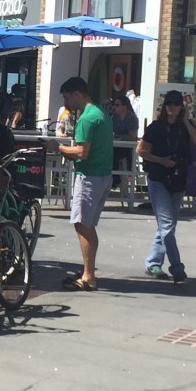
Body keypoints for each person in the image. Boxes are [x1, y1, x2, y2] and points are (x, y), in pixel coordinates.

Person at [137, 90, 196, 283]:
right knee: (166, 225)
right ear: (164, 105)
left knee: (168, 226)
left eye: (176, 103)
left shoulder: (187, 126)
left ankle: (152, 263)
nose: (172, 107)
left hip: (179, 179)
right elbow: (141, 150)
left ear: (182, 107)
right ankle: (177, 267)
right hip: (158, 179)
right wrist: (161, 160)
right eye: (169, 103)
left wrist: (186, 121)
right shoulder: (156, 127)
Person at [57, 76, 113, 291]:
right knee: (87, 225)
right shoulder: (101, 114)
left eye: (67, 97)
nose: (65, 103)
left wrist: (58, 148)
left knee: (82, 225)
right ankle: (88, 271)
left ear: (77, 94)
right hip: (103, 175)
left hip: (89, 177)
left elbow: (81, 152)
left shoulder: (87, 119)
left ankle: (89, 276)